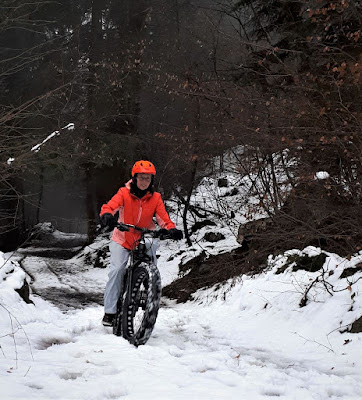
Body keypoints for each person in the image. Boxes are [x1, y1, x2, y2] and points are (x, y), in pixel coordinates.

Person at [99, 160, 183, 326]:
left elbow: (162, 218)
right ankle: (109, 311)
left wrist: (171, 228)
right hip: (122, 237)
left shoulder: (156, 198)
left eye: (148, 178)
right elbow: (110, 206)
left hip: (144, 236)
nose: (144, 181)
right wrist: (107, 215)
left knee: (151, 258)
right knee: (117, 270)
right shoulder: (124, 192)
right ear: (135, 177)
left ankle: (148, 288)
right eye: (141, 178)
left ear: (152, 180)